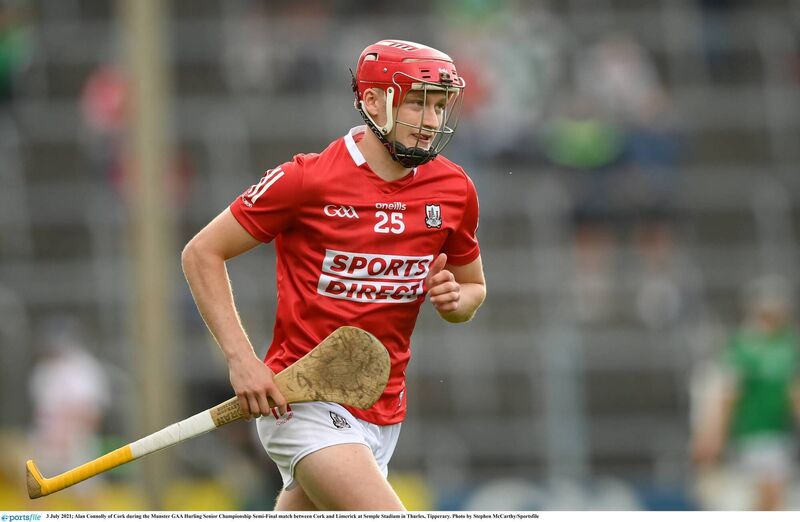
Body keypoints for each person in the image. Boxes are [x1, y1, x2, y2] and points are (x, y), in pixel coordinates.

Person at [182, 39, 486, 511]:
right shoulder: (307, 179)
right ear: (371, 102)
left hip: (383, 410)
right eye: (417, 104)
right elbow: (201, 253)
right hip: (302, 400)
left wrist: (455, 301)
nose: (432, 122)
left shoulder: (454, 189)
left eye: (441, 106)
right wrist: (241, 360)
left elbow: (473, 288)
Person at [691, 274, 800, 510]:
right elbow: (727, 395)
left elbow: (794, 393)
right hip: (752, 433)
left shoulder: (788, 345)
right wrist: (714, 435)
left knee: (772, 498)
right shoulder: (742, 347)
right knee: (765, 496)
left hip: (777, 432)